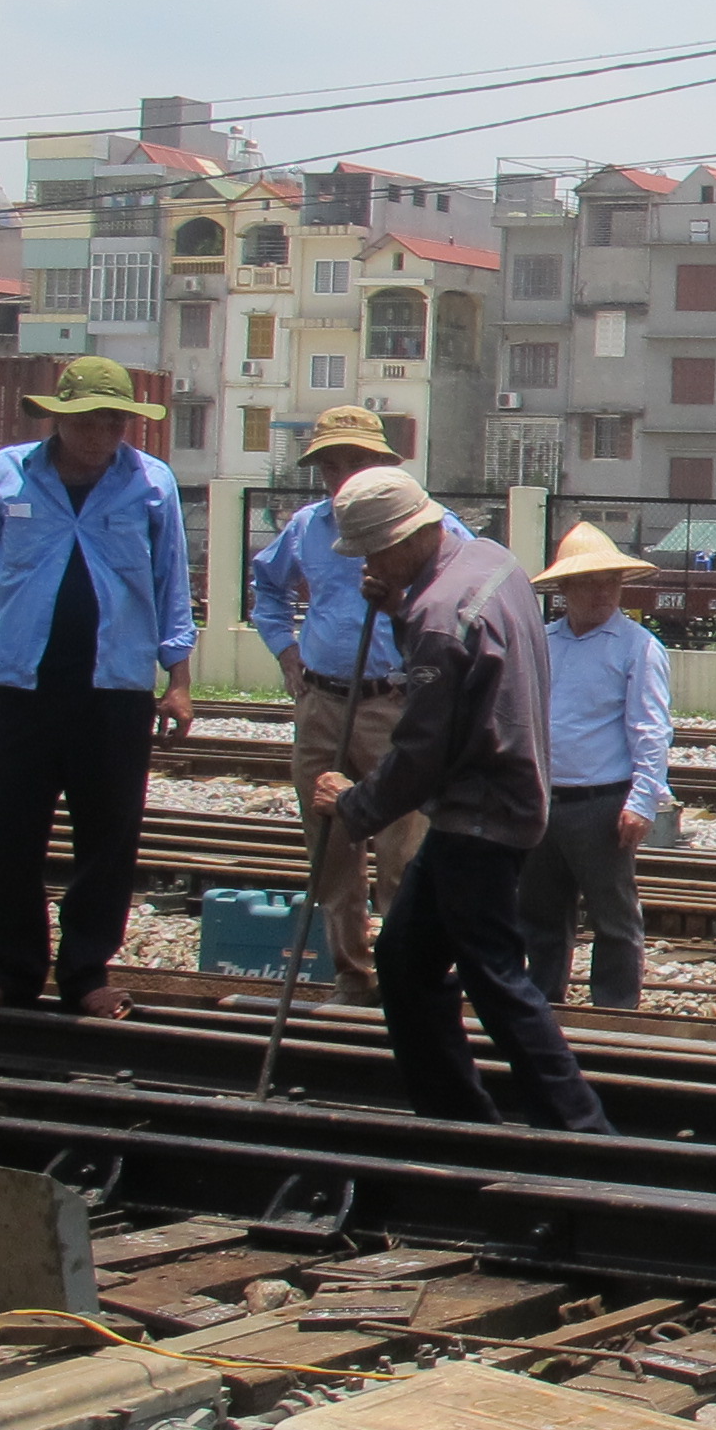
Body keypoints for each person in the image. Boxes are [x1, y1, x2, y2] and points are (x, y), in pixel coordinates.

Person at [310, 470, 611, 1137]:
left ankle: (581, 1131)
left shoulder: (438, 619)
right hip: (495, 805)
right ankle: (456, 1119)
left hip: (479, 817)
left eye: (373, 553)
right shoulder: (492, 561)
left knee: (497, 981)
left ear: (401, 541)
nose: (369, 565)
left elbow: (422, 747)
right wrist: (396, 608)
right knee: (406, 962)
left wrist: (355, 806)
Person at [0, 357, 196, 1019]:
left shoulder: (150, 483)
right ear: (59, 417)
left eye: (116, 419)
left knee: (108, 836)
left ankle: (86, 972)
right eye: (91, 418)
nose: (104, 431)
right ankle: (9, 968)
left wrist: (179, 680)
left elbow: (171, 584)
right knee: (7, 832)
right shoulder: (7, 473)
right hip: (24, 687)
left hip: (114, 691)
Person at [249, 404, 466, 1004]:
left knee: (402, 852)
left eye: (356, 462)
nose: (342, 476)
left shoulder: (431, 526)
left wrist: (403, 611)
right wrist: (285, 651)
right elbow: (266, 590)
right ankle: (353, 975)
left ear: (383, 464)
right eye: (330, 465)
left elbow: (468, 592)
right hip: (322, 702)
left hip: (394, 703)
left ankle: (407, 980)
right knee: (331, 854)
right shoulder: (305, 528)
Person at [518, 524, 672, 1014]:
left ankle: (614, 1013)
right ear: (564, 589)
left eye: (611, 581)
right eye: (589, 581)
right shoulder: (541, 643)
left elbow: (651, 728)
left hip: (602, 802)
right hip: (545, 798)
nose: (603, 591)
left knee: (614, 919)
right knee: (540, 915)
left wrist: (643, 800)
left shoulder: (637, 646)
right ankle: (542, 1008)